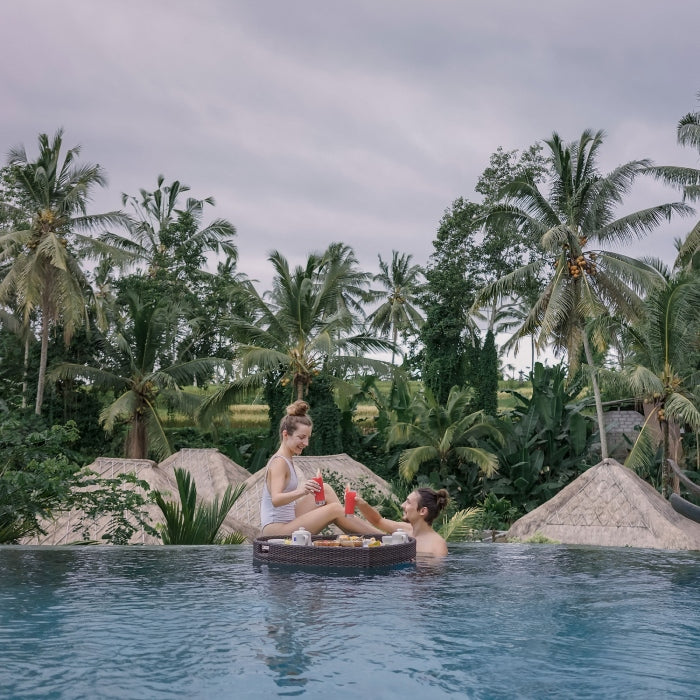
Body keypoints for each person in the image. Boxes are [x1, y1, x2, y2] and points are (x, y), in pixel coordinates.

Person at [260, 400, 381, 537]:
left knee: (325, 489)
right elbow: (276, 500)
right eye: (301, 437)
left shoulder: (287, 459)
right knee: (335, 509)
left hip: (289, 519)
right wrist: (302, 491)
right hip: (276, 530)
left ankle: (366, 533)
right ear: (285, 434)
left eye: (308, 438)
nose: (306, 443)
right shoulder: (279, 462)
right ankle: (382, 538)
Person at [355, 487, 449, 556]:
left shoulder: (437, 545)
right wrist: (361, 503)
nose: (402, 505)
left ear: (422, 511)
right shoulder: (404, 530)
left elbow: (434, 578)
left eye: (408, 502)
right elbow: (378, 521)